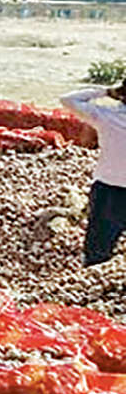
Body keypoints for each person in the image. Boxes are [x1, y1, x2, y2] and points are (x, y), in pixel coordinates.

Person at [61, 78, 126, 265]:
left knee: (98, 247)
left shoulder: (105, 116)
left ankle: (95, 270)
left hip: (108, 189)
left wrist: (106, 91)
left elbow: (68, 99)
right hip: (109, 188)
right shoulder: (105, 116)